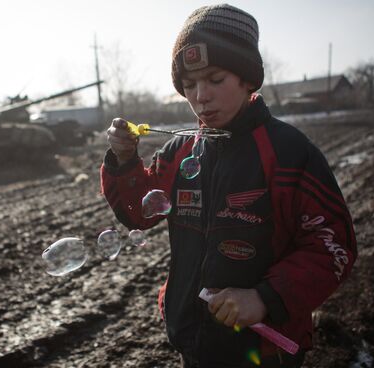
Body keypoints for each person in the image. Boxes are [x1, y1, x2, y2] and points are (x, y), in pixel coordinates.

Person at [100, 4, 357, 367]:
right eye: (189, 85)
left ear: (248, 78)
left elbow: (332, 247)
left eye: (215, 79)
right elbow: (137, 214)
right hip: (193, 341)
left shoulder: (289, 154)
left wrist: (263, 298)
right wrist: (125, 161)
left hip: (265, 349)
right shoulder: (180, 151)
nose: (200, 96)